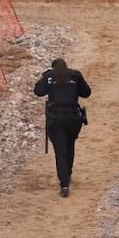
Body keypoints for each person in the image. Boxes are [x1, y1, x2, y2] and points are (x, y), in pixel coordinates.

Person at [33, 58, 91, 197]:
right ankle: (68, 175)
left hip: (56, 119)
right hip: (73, 118)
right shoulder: (75, 75)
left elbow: (38, 91)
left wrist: (44, 76)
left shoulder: (49, 77)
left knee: (60, 152)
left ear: (53, 67)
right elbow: (86, 93)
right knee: (70, 146)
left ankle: (64, 184)